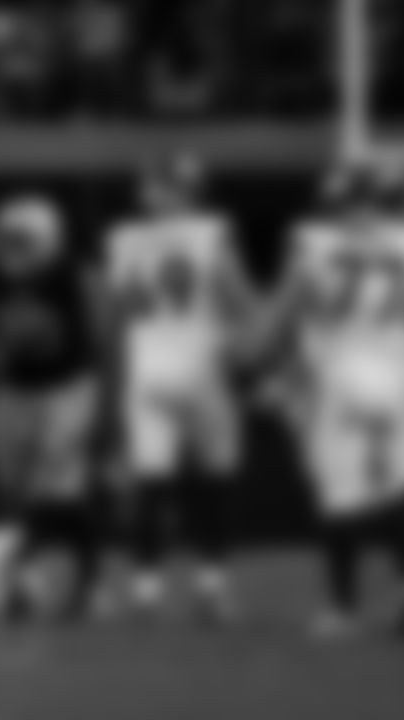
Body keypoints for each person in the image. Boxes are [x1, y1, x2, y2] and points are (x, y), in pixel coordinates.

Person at [261, 164, 404, 640]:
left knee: (341, 494)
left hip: (344, 374)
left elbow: (280, 317)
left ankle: (343, 608)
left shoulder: (313, 245)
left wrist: (252, 358)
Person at [103, 155, 256, 618]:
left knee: (152, 483)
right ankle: (211, 584)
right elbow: (241, 301)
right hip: (197, 366)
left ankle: (145, 589)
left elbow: (116, 316)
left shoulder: (124, 240)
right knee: (215, 480)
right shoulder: (210, 235)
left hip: (146, 370)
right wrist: (242, 346)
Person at [0, 195, 106, 619]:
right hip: (15, 392)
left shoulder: (70, 278)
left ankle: (78, 584)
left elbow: (90, 340)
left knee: (59, 494)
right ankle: (22, 580)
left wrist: (106, 405)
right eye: (7, 240)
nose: (11, 249)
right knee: (16, 493)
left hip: (66, 388)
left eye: (21, 240)